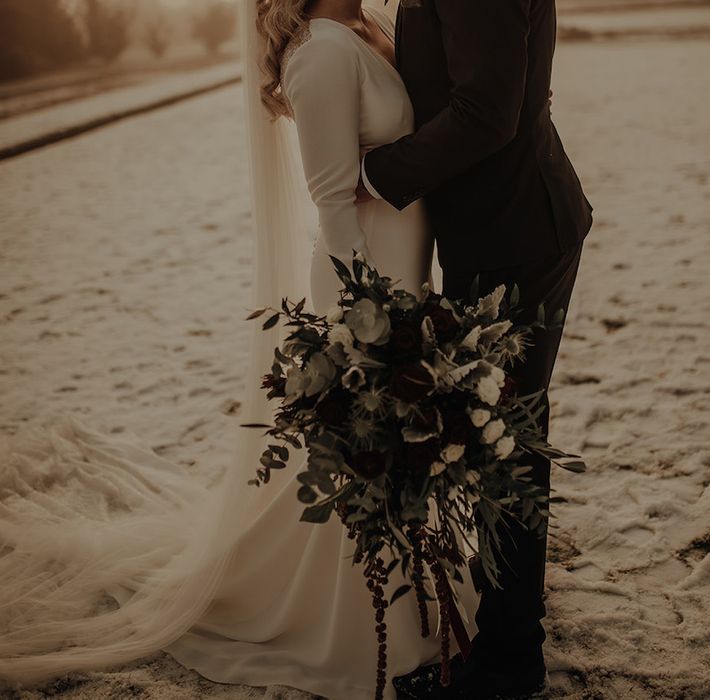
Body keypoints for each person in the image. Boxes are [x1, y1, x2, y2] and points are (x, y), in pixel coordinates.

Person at [0, 2, 479, 700]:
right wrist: (365, 322)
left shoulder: (375, 22)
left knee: (393, 449)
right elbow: (332, 201)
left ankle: (413, 591)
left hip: (406, 269)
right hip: (365, 285)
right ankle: (366, 625)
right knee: (362, 453)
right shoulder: (318, 51)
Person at [359, 1, 593, 698]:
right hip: (511, 222)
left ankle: (506, 665)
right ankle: (510, 632)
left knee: (506, 445)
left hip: (512, 234)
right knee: (508, 440)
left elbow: (487, 110)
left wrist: (376, 175)